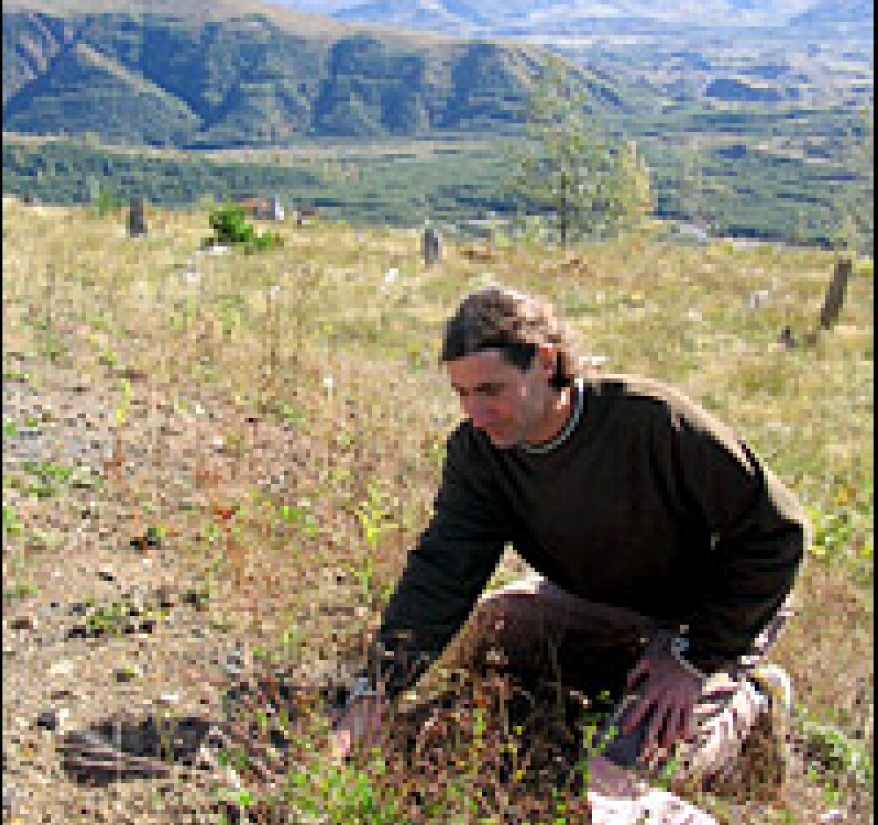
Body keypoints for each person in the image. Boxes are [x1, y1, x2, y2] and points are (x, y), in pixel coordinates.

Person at [331, 285, 807, 791]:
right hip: (603, 598)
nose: (476, 412)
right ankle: (633, 674)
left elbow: (777, 533)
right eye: (463, 394)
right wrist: (376, 691)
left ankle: (751, 705)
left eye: (491, 390)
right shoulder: (481, 453)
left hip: (710, 614)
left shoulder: (651, 421)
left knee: (626, 771)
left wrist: (695, 658)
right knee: (495, 631)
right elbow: (445, 569)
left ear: (544, 361)